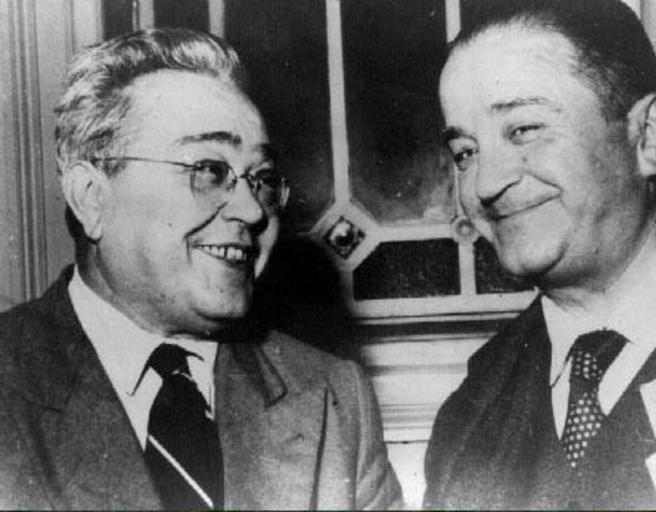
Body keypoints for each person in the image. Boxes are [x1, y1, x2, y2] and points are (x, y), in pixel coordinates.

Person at [0, 28, 401, 510]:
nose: (252, 210)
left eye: (262, 178)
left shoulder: (334, 400)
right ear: (91, 197)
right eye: (209, 171)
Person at [424, 0, 656, 509]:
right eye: (465, 153)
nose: (485, 184)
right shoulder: (470, 414)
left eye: (524, 129)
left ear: (648, 135)